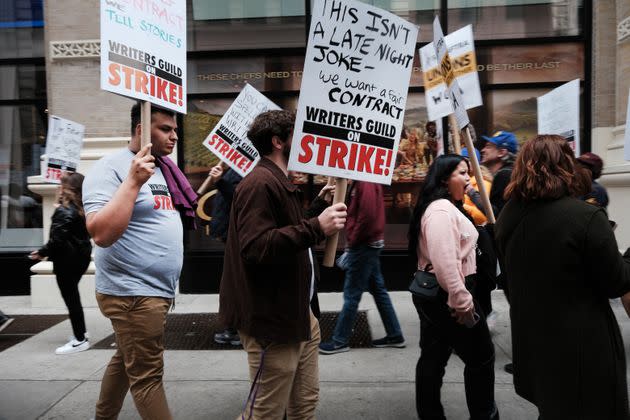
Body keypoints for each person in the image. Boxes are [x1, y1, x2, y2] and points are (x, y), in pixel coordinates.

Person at [219, 110, 347, 420]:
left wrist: (317, 208)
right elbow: (256, 245)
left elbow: (283, 228)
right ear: (278, 141)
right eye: (297, 135)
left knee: (303, 404)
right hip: (272, 320)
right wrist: (317, 227)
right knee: (265, 412)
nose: (304, 141)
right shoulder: (259, 183)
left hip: (296, 314)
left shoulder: (276, 180)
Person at [494, 135, 630, 420]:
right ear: (566, 164)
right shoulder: (586, 217)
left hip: (536, 343)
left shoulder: (508, 214)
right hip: (581, 349)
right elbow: (617, 282)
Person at [83, 102, 196, 420]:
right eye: (165, 129)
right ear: (141, 130)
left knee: (125, 360)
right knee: (147, 378)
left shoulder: (162, 168)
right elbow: (101, 233)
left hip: (154, 291)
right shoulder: (110, 168)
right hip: (132, 292)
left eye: (176, 129)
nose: (174, 136)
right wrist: (132, 182)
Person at [408, 154, 498, 420]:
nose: (468, 179)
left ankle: (431, 414)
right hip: (448, 295)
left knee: (434, 357)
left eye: (468, 172)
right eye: (462, 173)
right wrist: (462, 303)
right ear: (445, 179)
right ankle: (484, 414)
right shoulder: (440, 211)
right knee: (481, 357)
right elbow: (446, 263)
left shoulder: (448, 208)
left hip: (441, 294)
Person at [319, 181, 405, 354]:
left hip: (364, 245)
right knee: (378, 290)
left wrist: (353, 241)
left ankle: (339, 341)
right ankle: (395, 335)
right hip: (369, 243)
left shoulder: (365, 182)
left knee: (351, 294)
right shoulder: (365, 181)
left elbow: (367, 217)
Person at [30, 172, 92, 354]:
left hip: (67, 261)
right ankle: (81, 333)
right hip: (81, 258)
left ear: (67, 188)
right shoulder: (82, 208)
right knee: (73, 297)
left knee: (71, 299)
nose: (58, 187)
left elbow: (57, 239)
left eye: (61, 184)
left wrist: (41, 253)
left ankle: (80, 340)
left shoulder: (64, 210)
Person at [481, 131, 518, 215]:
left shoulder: (504, 175)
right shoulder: (510, 172)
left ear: (501, 152)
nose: (483, 150)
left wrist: (471, 192)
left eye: (488, 146)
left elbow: (497, 214)